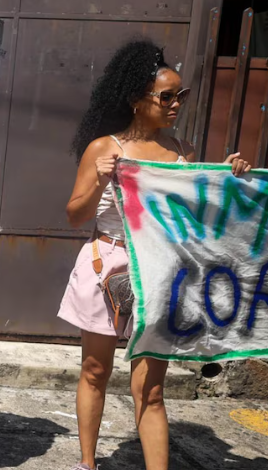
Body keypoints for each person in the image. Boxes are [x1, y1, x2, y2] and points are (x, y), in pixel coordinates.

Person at [58, 39, 251, 470]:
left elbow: (198, 218)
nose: (176, 104)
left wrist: (229, 178)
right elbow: (74, 215)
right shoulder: (104, 148)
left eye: (181, 96)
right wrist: (99, 180)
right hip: (107, 266)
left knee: (152, 389)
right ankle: (87, 463)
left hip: (162, 274)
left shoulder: (181, 152)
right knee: (95, 371)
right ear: (136, 99)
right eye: (167, 97)